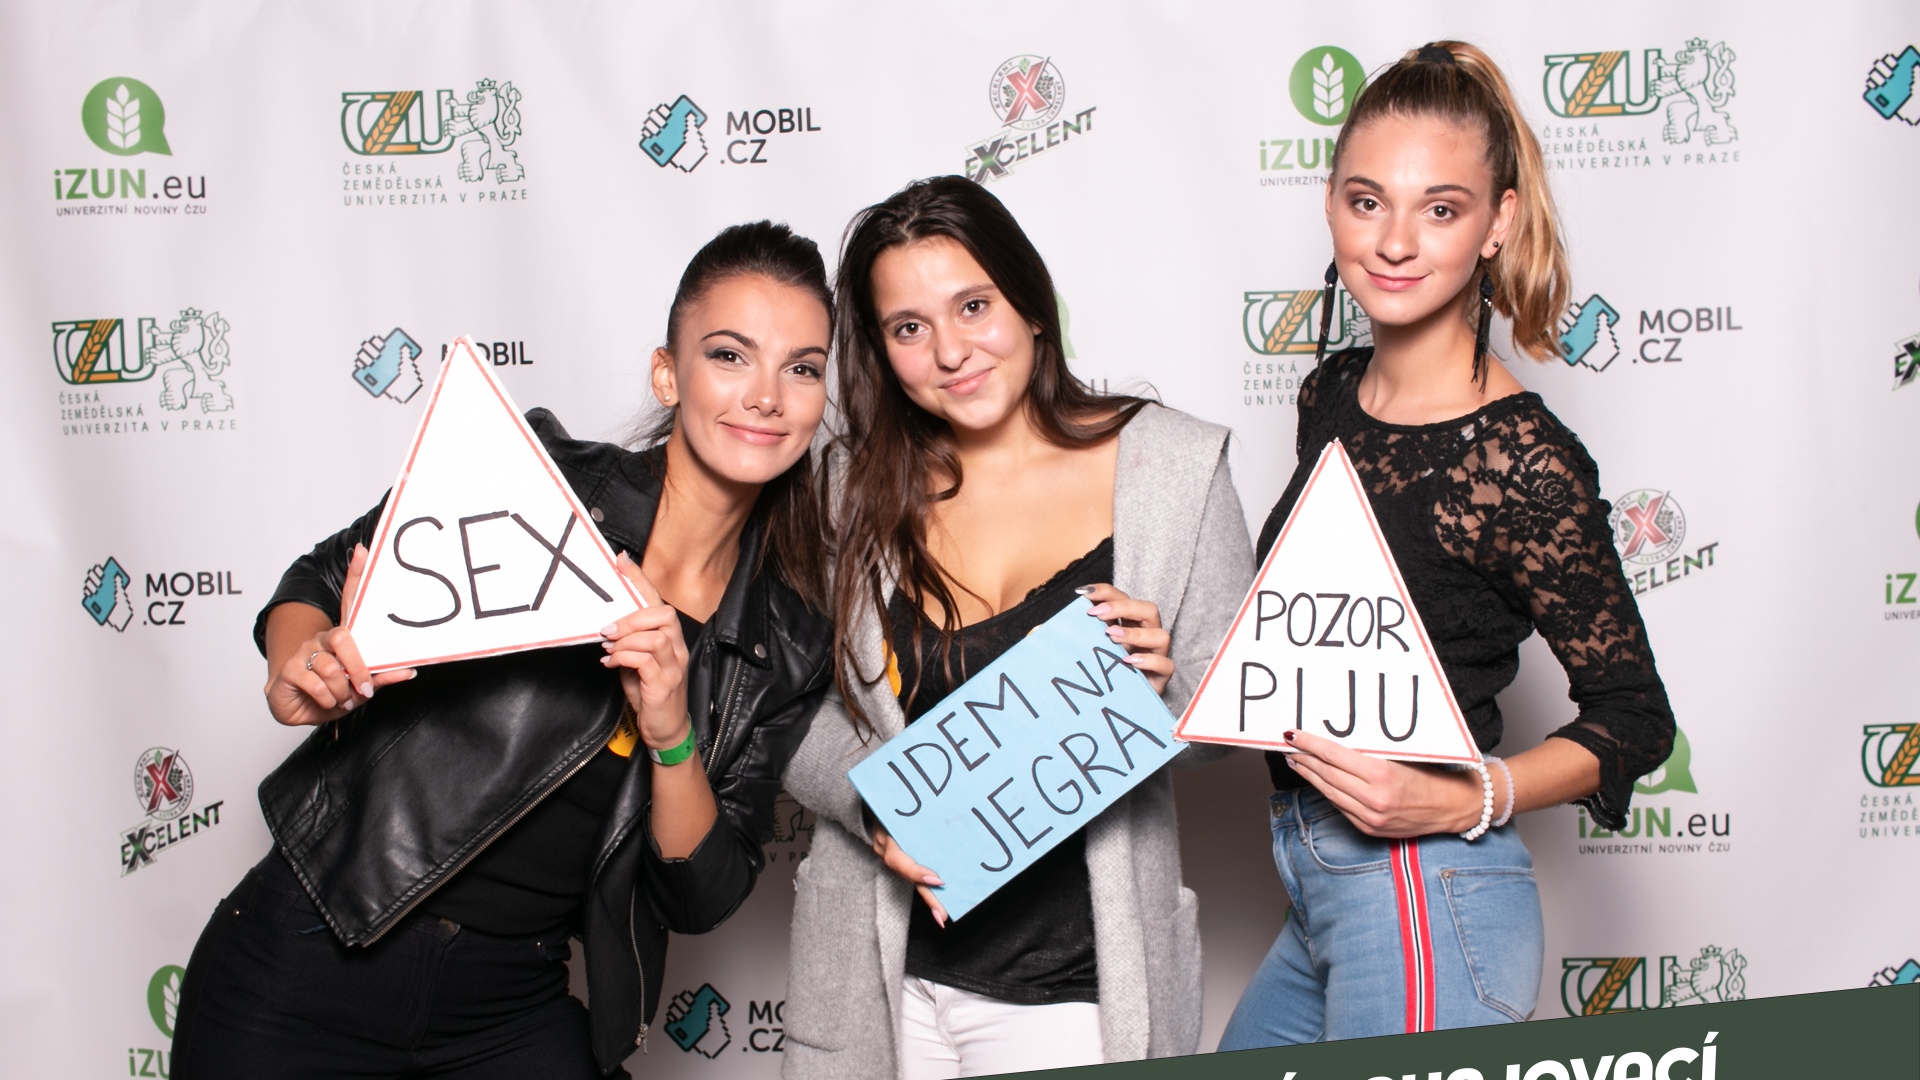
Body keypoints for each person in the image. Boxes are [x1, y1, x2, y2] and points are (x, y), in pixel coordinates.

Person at [171, 221, 838, 1079]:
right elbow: (322, 575)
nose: (767, 397)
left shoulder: (786, 642)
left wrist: (671, 731)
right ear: (668, 374)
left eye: (802, 368)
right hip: (312, 951)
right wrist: (299, 665)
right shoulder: (546, 479)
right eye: (730, 355)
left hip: (508, 1001)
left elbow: (699, 894)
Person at [1217, 43, 1676, 1047]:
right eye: (1366, 201)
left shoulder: (1521, 460)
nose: (1393, 242)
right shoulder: (1331, 393)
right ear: (1330, 203)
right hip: (1317, 885)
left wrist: (1468, 793)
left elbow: (1637, 719)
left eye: (1439, 209)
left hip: (1427, 892)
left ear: (1497, 224)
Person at [779, 176, 1253, 1079]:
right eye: (908, 327)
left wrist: (1159, 698)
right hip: (880, 977)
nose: (951, 351)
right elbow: (788, 710)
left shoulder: (1173, 467)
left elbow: (1229, 717)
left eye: (974, 306)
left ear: (1031, 306)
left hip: (1074, 987)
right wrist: (874, 804)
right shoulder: (846, 488)